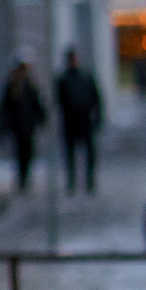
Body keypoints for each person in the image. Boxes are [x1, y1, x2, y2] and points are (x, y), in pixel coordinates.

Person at [0, 52, 48, 192]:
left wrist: (41, 119)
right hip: (17, 127)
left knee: (28, 154)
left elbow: (37, 105)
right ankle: (22, 181)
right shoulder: (12, 85)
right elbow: (5, 107)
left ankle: (25, 180)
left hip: (28, 126)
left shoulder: (30, 85)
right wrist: (4, 125)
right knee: (19, 155)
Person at [55, 46, 103, 195]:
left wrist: (97, 117)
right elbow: (60, 101)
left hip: (85, 121)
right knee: (70, 155)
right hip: (70, 122)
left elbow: (96, 98)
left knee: (89, 153)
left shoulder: (86, 77)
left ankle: (89, 182)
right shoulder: (63, 79)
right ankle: (72, 182)